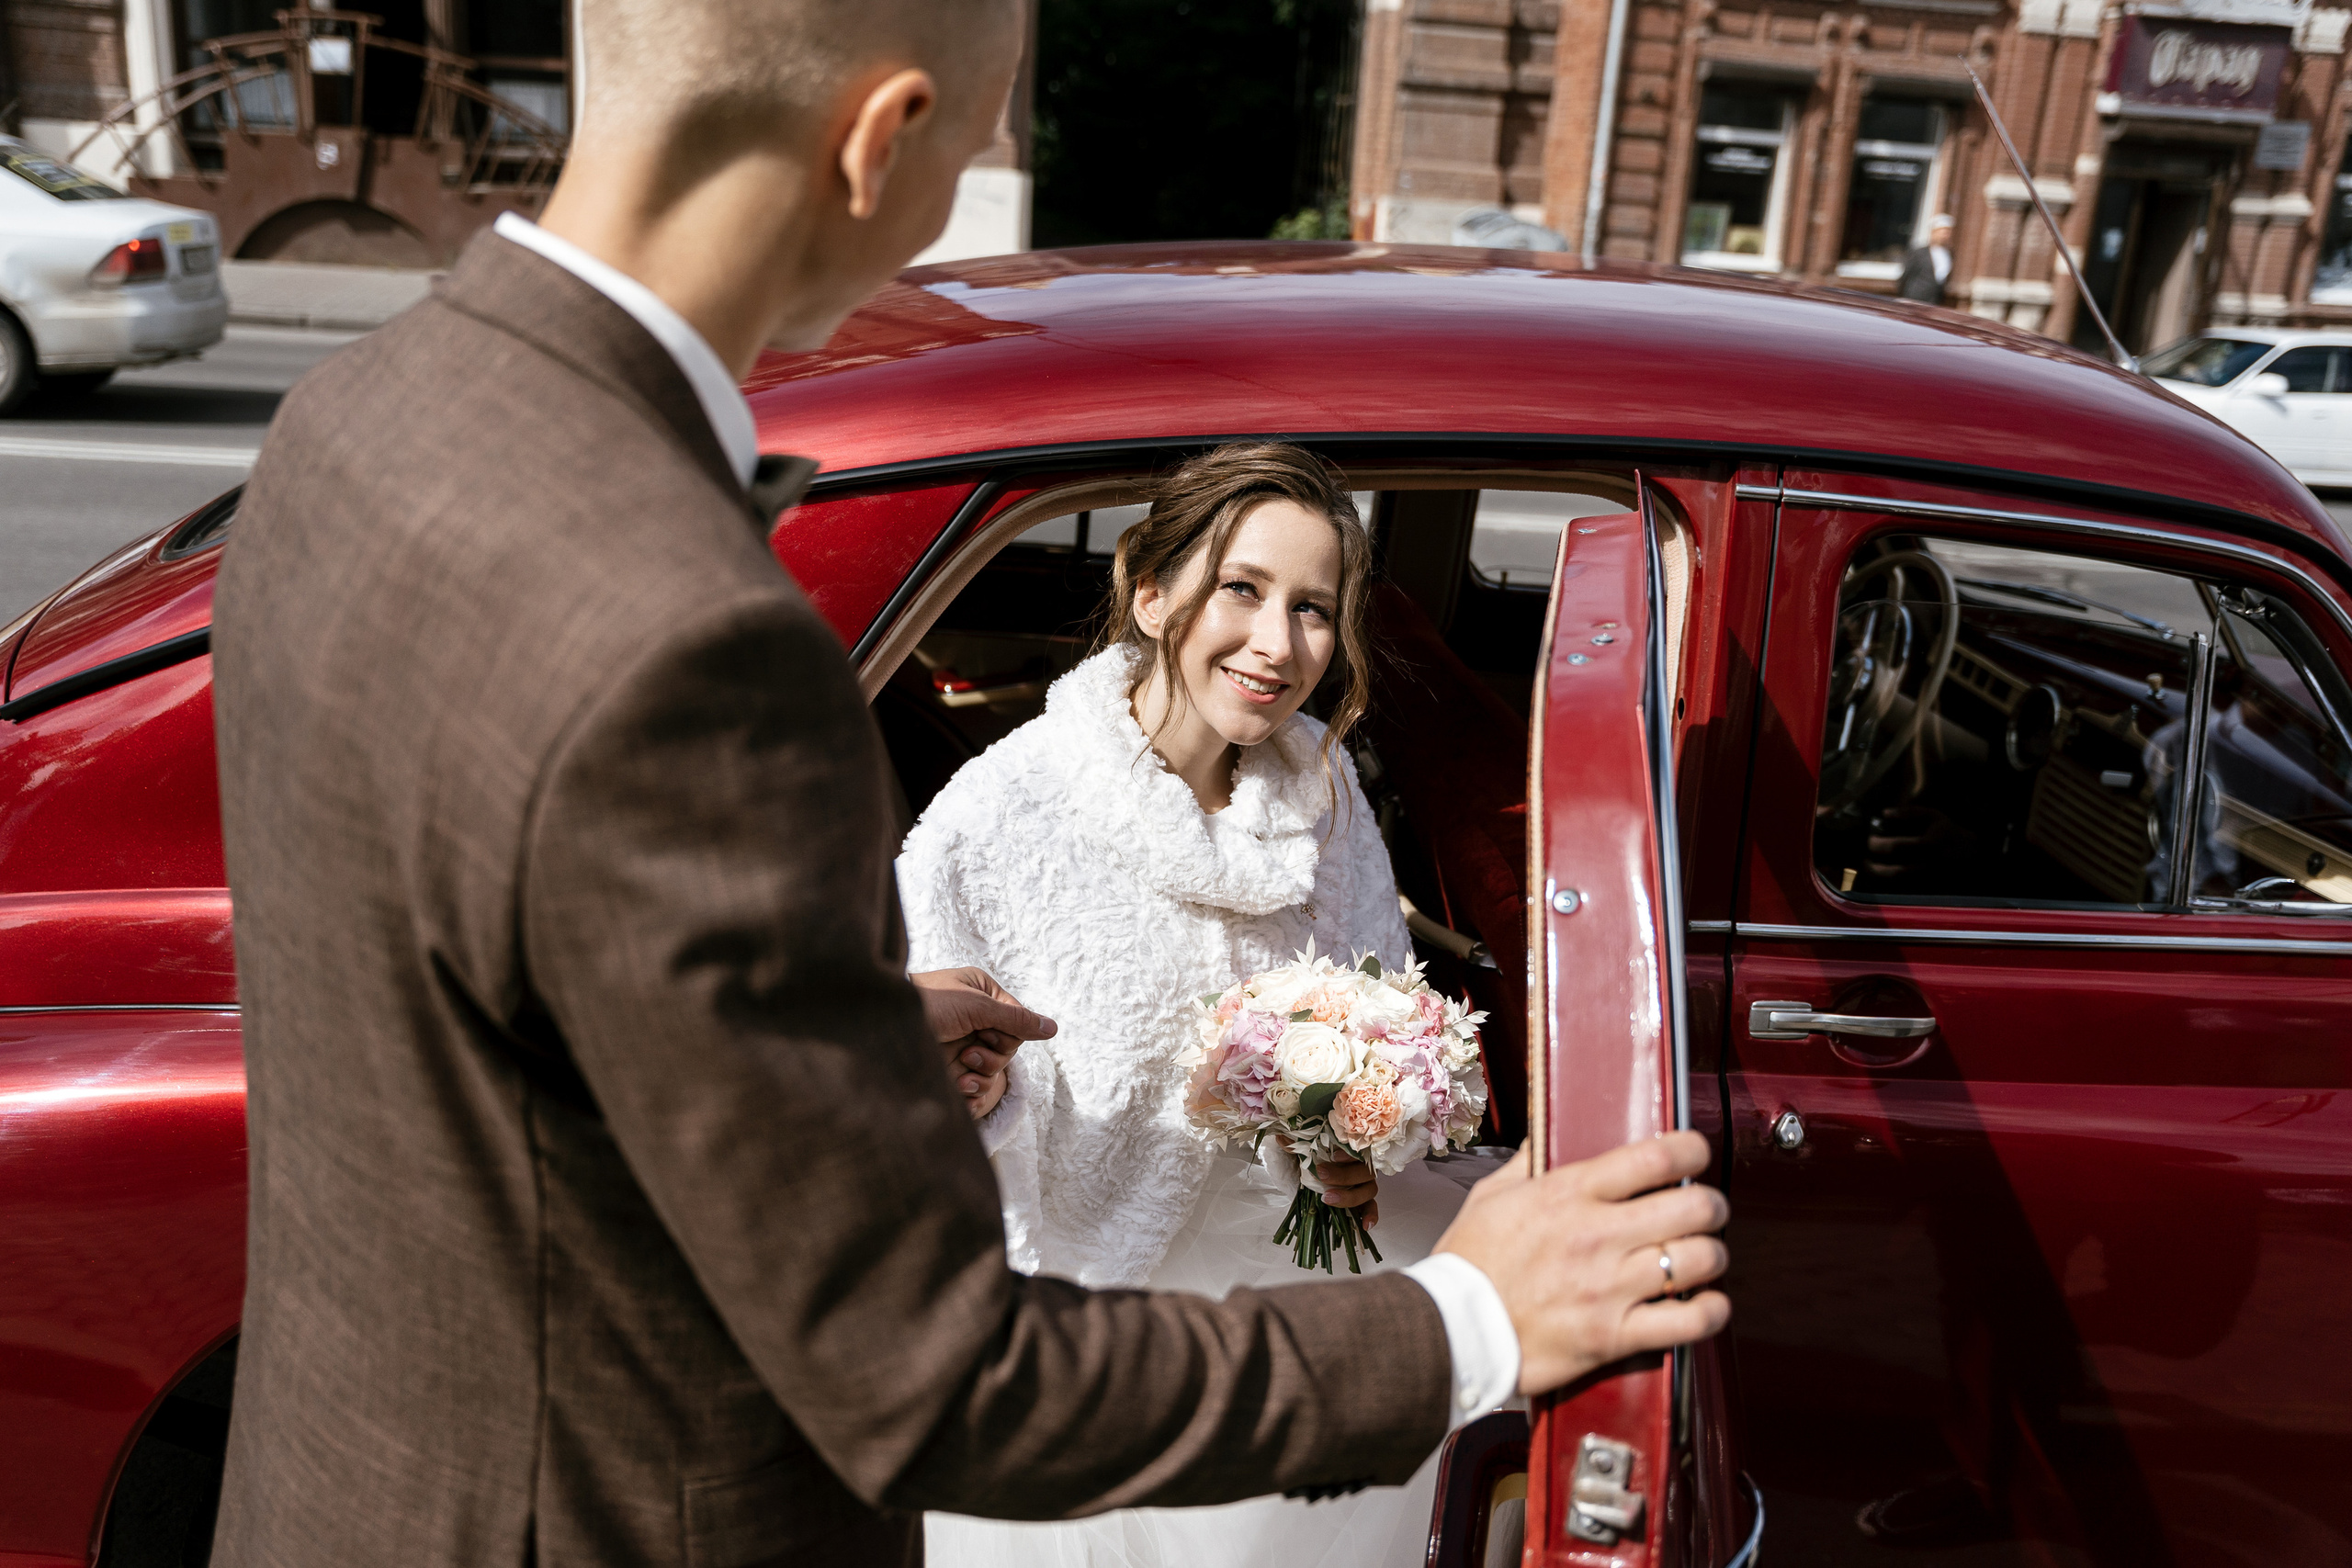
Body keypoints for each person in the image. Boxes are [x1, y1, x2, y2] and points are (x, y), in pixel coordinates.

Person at [205, 1, 1734, 1563]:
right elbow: (931, 1380)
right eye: (979, 140)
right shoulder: (696, 647)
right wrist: (1472, 1317)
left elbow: (481, 1005)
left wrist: (838, 1038)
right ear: (882, 140)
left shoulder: (354, 418)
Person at [904, 443, 1521, 1566]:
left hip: (1277, 1238)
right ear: (1150, 590)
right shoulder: (989, 822)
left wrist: (1349, 1136)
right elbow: (930, 1128)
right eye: (1242, 589)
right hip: (1085, 1288)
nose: (1277, 646)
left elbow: (1376, 995)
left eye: (1314, 610)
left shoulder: (1323, 793)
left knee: (1500, 1312)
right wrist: (974, 1092)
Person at [1897, 214, 1956, 304]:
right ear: (1933, 232)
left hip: (1934, 301)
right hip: (1915, 299)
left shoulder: (1949, 254)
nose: (1945, 236)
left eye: (1948, 233)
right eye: (1942, 232)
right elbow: (1906, 275)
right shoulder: (1919, 252)